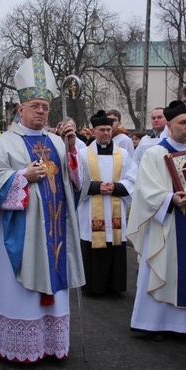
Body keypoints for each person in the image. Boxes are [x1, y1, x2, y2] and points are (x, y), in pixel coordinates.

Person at [0, 54, 85, 362]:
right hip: (20, 232)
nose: (41, 112)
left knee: (53, 281)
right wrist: (21, 177)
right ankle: (16, 344)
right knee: (19, 291)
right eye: (35, 106)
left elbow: (75, 183)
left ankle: (49, 343)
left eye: (45, 107)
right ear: (20, 109)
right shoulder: (4, 144)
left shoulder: (58, 143)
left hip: (54, 233)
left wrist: (72, 151)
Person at [127, 100, 186, 338]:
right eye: (182, 122)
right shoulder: (155, 154)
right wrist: (168, 199)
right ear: (169, 125)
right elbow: (144, 190)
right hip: (167, 224)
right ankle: (156, 324)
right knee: (165, 267)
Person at [77, 110, 137, 296]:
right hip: (91, 210)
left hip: (115, 208)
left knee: (115, 244)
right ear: (93, 131)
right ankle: (93, 287)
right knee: (93, 246)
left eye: (109, 130)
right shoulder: (83, 155)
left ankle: (114, 286)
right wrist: (96, 187)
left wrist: (117, 187)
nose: (106, 133)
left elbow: (133, 178)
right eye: (101, 129)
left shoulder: (124, 155)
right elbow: (75, 181)